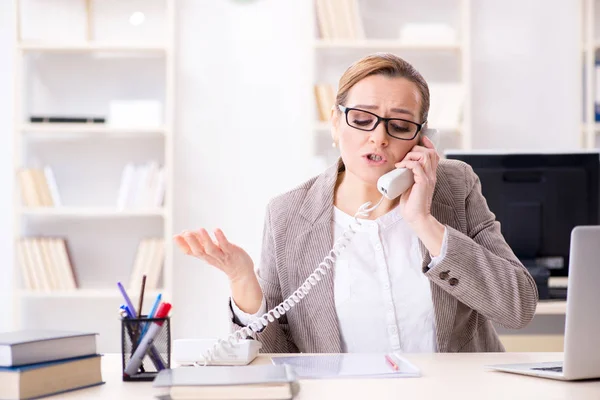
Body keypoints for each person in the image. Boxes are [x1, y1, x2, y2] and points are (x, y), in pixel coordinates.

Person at [174, 52, 538, 354]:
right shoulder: (287, 215)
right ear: (335, 124)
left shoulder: (455, 186)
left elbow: (518, 307)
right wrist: (243, 282)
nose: (378, 138)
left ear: (423, 139)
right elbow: (279, 357)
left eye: (399, 125)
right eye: (362, 119)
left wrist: (424, 222)